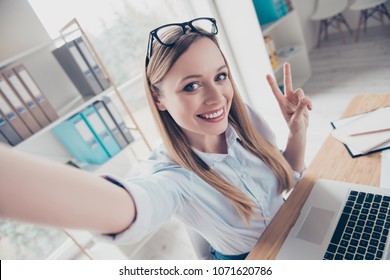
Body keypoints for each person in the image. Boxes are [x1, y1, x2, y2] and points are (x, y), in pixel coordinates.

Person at [0, 17, 312, 260]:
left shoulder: (244, 119)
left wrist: (296, 132)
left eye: (220, 76)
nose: (217, 97)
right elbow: (137, 203)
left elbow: (287, 178)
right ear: (159, 98)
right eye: (191, 86)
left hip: (295, 228)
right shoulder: (172, 177)